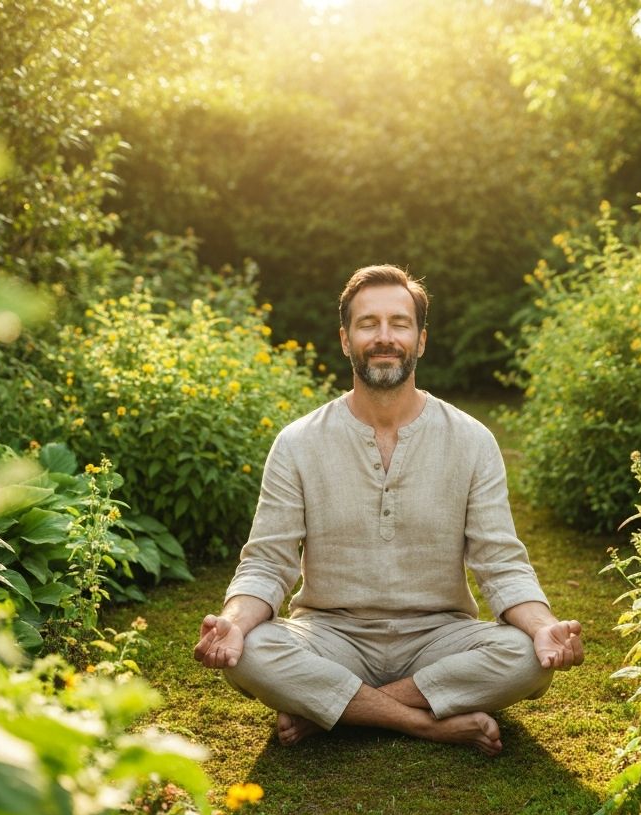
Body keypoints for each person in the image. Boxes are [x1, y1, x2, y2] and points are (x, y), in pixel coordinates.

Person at [194, 265, 583, 756]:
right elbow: (267, 562)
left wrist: (544, 627)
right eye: (368, 324)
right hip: (329, 636)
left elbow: (500, 562)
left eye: (399, 324)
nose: (384, 337)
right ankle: (426, 724)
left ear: (420, 340)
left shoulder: (472, 440)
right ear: (345, 338)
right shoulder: (297, 443)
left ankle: (334, 711)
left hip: (440, 637)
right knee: (247, 652)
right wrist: (233, 621)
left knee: (528, 656)